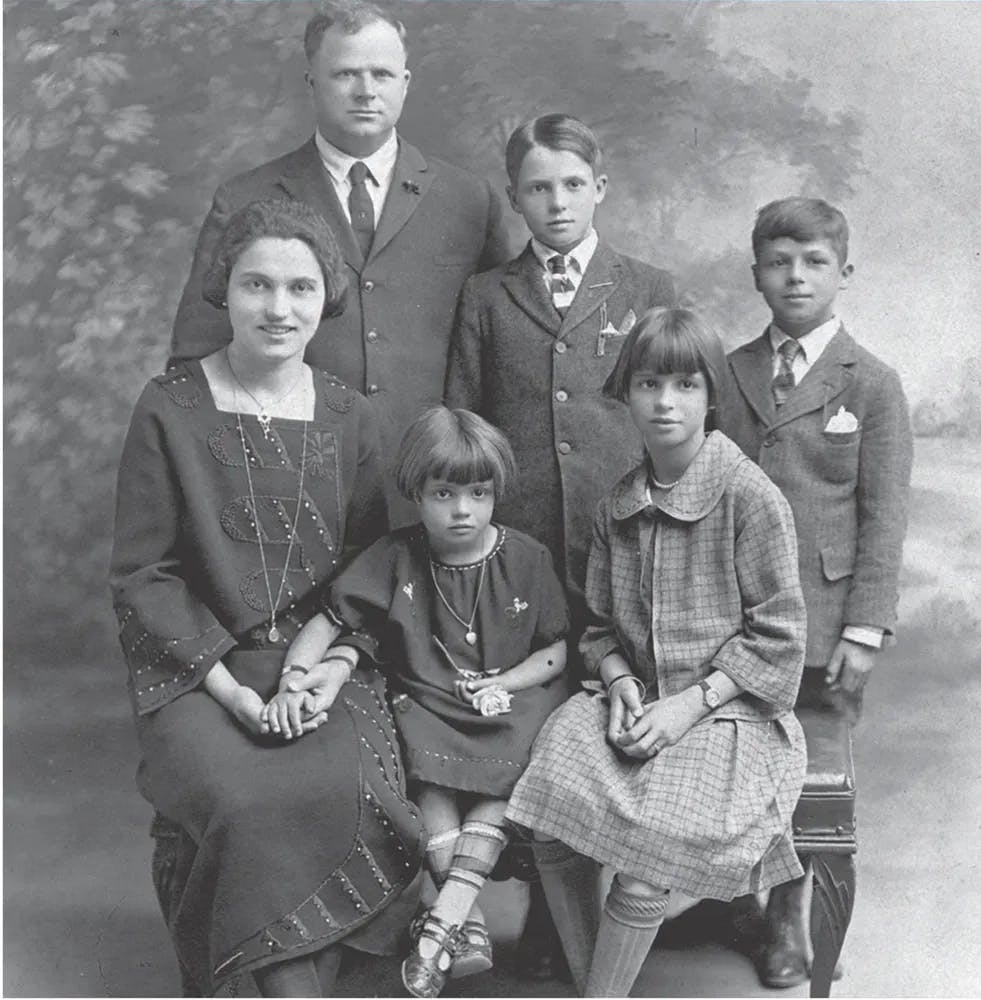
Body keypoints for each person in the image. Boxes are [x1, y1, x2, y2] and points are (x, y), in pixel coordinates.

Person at [109, 199, 425, 997]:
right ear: (225, 290)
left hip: (321, 665)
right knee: (248, 800)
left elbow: (368, 565)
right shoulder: (168, 406)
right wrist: (229, 688)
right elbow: (144, 574)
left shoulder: (353, 415)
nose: (278, 309)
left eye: (300, 288)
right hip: (198, 671)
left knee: (346, 789)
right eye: (257, 285)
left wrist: (331, 665)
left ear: (327, 300)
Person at [505, 308, 809, 998]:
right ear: (626, 393)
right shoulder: (618, 506)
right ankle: (599, 987)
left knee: (643, 869)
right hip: (638, 699)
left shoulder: (748, 498)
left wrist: (686, 707)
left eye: (684, 385)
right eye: (647, 384)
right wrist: (616, 684)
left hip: (727, 712)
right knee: (550, 816)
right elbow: (599, 631)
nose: (664, 403)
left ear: (710, 396)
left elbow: (779, 638)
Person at [171, 0, 509, 525]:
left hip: (431, 491)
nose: (366, 90)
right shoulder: (247, 196)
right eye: (346, 73)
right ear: (312, 81)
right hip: (287, 491)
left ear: (406, 81)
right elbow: (195, 359)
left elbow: (503, 346)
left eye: (381, 73)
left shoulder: (469, 199)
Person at [287, 407, 570, 998]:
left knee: (508, 773)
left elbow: (556, 653)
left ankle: (443, 919)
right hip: (431, 702)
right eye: (443, 493)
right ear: (416, 493)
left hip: (512, 703)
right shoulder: (398, 556)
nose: (462, 510)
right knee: (427, 769)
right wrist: (296, 673)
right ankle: (462, 927)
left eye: (478, 492)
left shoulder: (526, 557)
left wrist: (507, 683)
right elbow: (333, 617)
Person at [719, 197, 913, 988]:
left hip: (825, 624)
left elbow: (883, 517)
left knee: (806, 782)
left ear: (843, 273)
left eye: (813, 262)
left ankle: (789, 924)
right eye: (778, 262)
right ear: (756, 272)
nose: (794, 277)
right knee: (736, 768)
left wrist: (865, 628)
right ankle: (739, 898)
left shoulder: (870, 384)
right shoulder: (730, 373)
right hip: (736, 617)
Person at [445, 113, 674, 660]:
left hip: (627, 525)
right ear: (514, 197)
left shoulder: (647, 287)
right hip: (521, 534)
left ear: (599, 188)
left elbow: (684, 417)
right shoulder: (486, 296)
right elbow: (464, 420)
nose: (558, 202)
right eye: (539, 188)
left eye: (573, 184)